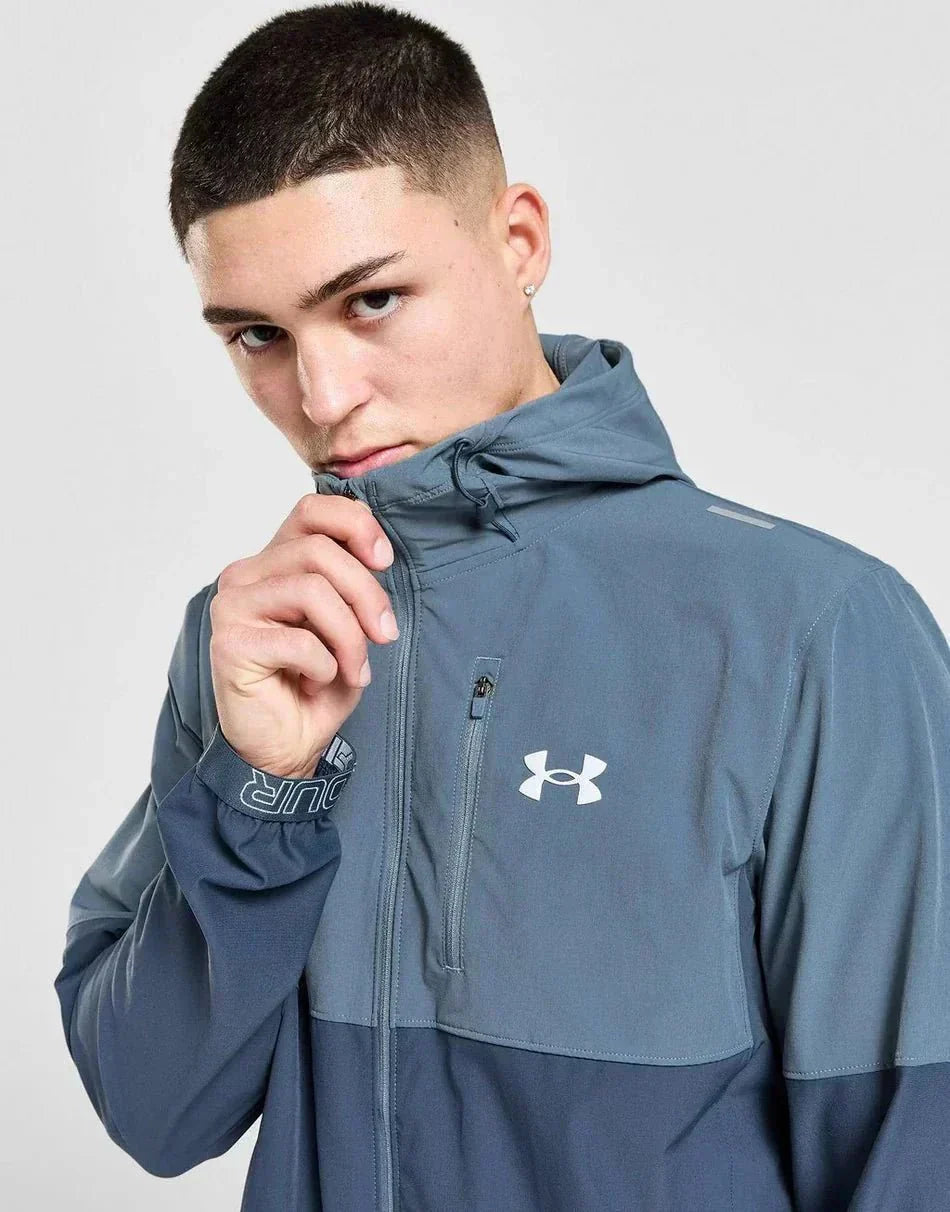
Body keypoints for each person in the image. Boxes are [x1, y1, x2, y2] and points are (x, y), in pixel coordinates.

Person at [53, 3, 950, 1209]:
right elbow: (155, 1112)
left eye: (370, 300)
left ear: (517, 239)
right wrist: (259, 787)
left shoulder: (814, 631)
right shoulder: (256, 639)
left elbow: (913, 1155)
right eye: (258, 334)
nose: (320, 395)